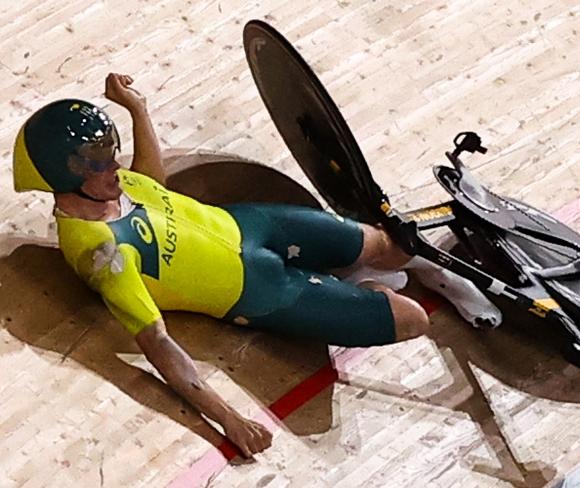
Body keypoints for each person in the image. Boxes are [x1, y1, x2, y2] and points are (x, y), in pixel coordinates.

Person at [12, 73, 501, 458]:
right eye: (99, 162)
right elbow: (157, 343)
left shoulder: (114, 184)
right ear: (63, 175)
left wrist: (137, 108)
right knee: (411, 319)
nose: (115, 167)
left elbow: (153, 182)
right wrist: (227, 418)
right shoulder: (102, 253)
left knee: (394, 245)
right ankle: (362, 281)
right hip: (260, 292)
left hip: (254, 226)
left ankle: (422, 273)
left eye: (111, 153)